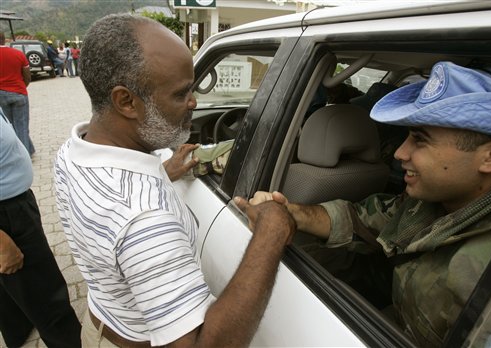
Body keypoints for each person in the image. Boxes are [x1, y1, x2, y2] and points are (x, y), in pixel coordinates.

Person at [53, 13, 296, 347]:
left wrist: (161, 174)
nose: (194, 102)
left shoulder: (74, 148)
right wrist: (272, 233)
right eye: (181, 94)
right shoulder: (144, 218)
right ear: (126, 101)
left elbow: (112, 219)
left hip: (101, 324)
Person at [250, 61, 491, 347]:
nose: (400, 152)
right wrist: (290, 213)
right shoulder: (430, 203)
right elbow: (362, 218)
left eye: (420, 140)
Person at [0, 108, 82, 348]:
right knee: (47, 298)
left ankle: (19, 327)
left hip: (13, 204)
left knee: (13, 288)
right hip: (7, 218)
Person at [0, 32, 35, 156]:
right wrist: (21, 87)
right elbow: (27, 76)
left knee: (10, 126)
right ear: (4, 40)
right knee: (22, 126)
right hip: (19, 92)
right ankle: (25, 155)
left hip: (1, 95)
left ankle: (24, 151)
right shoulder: (18, 54)